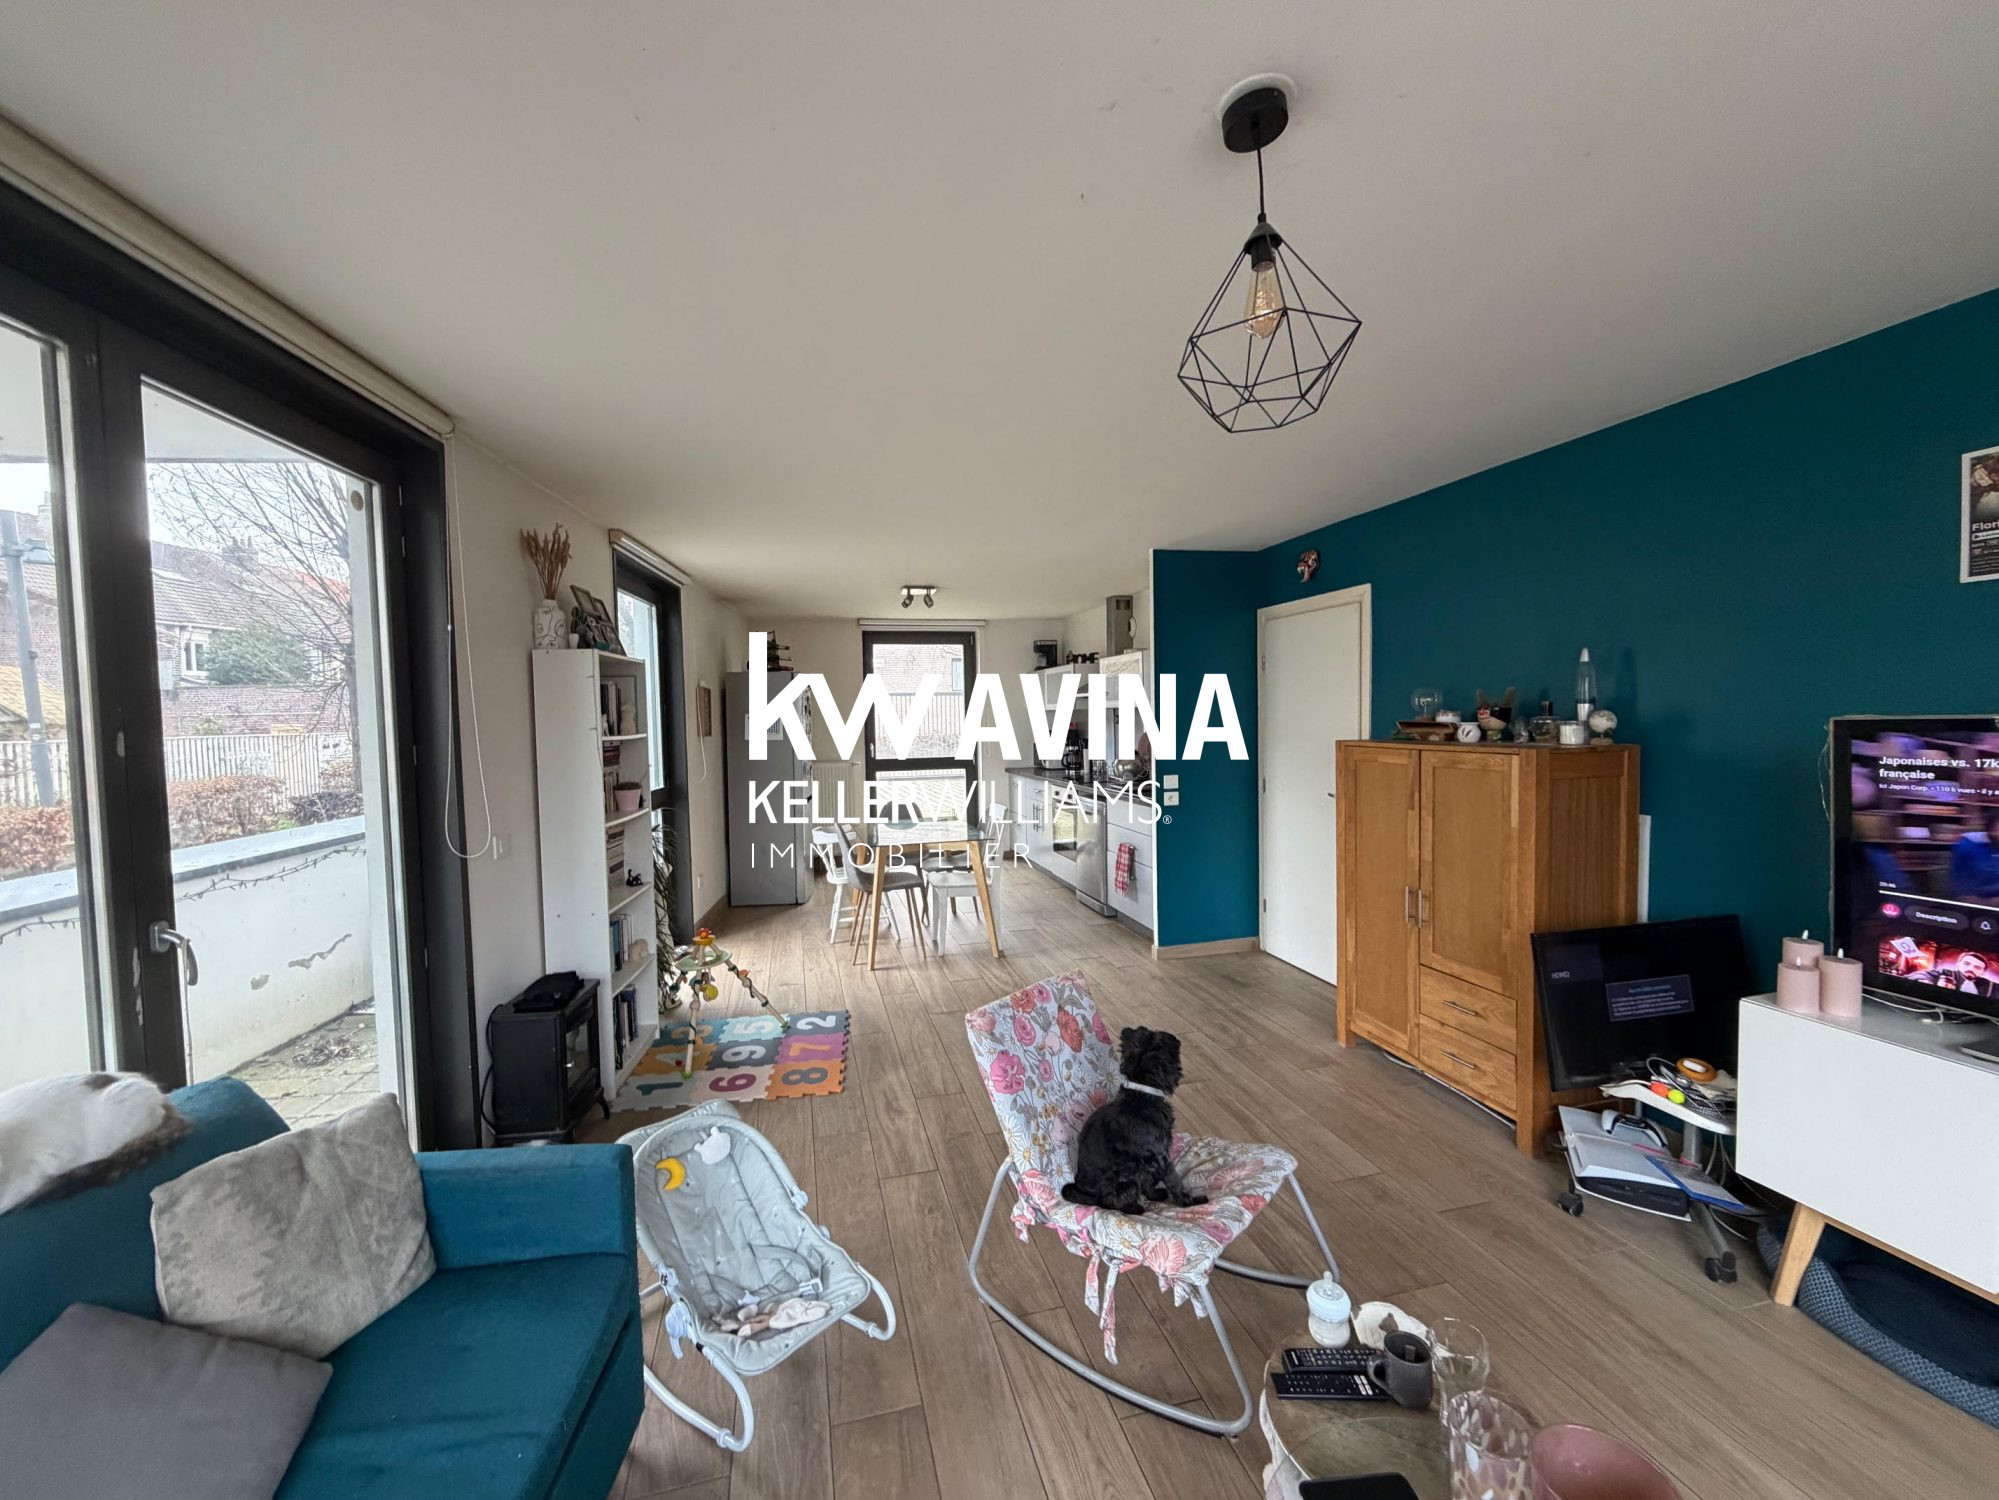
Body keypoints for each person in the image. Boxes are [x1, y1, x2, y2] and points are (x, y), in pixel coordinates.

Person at [1948, 808, 1999, 902]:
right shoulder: (1967, 847)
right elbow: (1962, 895)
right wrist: (1991, 903)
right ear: (1990, 829)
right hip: (1979, 905)